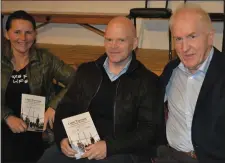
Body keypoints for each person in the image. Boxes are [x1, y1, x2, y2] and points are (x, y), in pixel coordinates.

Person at [37, 16, 163, 163]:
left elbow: (149, 131)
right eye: (109, 40)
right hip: (81, 144)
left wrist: (108, 147)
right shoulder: (87, 71)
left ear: (134, 43)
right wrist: (62, 138)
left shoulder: (148, 81)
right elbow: (65, 108)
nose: (113, 46)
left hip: (122, 151)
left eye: (121, 40)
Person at [1, 10, 75, 162]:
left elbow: (76, 80)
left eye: (28, 32)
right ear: (7, 34)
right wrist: (7, 116)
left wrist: (53, 106)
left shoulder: (46, 59)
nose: (23, 38)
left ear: (35, 35)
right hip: (4, 125)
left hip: (36, 128)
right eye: (17, 32)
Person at [156, 3, 225, 163]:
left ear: (210, 37)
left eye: (192, 37)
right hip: (169, 156)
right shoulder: (171, 70)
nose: (184, 48)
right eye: (178, 39)